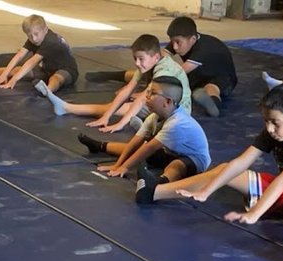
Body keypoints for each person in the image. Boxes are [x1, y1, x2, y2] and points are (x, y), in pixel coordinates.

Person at [136, 83, 283, 261]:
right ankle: (153, 192)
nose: (269, 128)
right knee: (224, 170)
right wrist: (206, 191)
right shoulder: (275, 130)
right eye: (266, 121)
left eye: (275, 122)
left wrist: (255, 212)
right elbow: (241, 162)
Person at [37, 34, 190, 133]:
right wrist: (107, 116)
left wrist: (120, 124)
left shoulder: (165, 69)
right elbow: (127, 90)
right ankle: (66, 107)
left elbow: (142, 99)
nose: (137, 63)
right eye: (135, 58)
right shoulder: (148, 63)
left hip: (177, 111)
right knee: (115, 107)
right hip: (161, 105)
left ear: (156, 57)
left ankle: (67, 108)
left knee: (127, 107)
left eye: (140, 59)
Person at [78, 76, 210, 183]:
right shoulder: (153, 117)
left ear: (168, 102)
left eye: (153, 93)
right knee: (136, 148)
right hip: (172, 152)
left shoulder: (177, 123)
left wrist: (124, 168)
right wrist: (117, 165)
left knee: (176, 166)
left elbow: (149, 148)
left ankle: (159, 183)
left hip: (194, 160)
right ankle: (100, 146)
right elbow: (135, 142)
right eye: (148, 92)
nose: (147, 96)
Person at [0, 14, 78, 93]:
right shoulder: (34, 39)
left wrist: (13, 80)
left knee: (56, 78)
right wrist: (5, 74)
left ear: (45, 30)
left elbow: (32, 62)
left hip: (66, 70)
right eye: (30, 35)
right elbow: (19, 55)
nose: (34, 39)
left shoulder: (51, 41)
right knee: (17, 70)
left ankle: (48, 91)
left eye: (36, 34)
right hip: (47, 69)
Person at [164, 16, 237, 118]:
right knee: (181, 84)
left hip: (223, 76)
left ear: (193, 39)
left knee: (211, 87)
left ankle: (213, 104)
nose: (174, 47)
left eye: (178, 42)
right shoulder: (183, 39)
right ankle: (201, 93)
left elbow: (181, 70)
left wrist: (160, 76)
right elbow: (162, 55)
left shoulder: (204, 49)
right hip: (200, 74)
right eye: (172, 42)